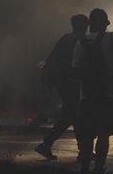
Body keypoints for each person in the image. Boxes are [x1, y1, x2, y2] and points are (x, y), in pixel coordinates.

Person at [72, 8, 113, 174]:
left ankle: (84, 169)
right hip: (107, 94)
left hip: (86, 96)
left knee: (86, 135)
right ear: (105, 24)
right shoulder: (112, 39)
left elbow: (75, 70)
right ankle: (99, 170)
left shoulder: (80, 42)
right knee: (104, 134)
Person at [35, 14, 88, 160]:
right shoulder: (81, 40)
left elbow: (52, 58)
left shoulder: (65, 38)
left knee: (74, 116)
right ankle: (47, 144)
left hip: (63, 84)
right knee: (72, 116)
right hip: (72, 83)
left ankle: (83, 151)